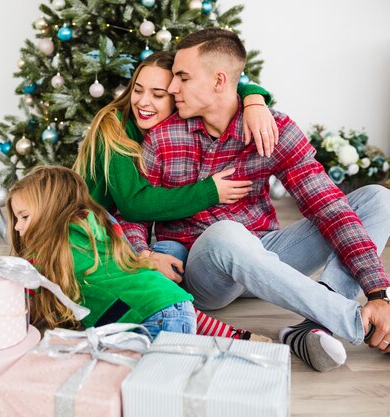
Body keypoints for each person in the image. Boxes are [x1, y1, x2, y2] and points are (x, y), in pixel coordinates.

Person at [117, 28, 390, 372]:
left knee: (379, 199)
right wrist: (143, 254)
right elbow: (135, 213)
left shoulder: (273, 129)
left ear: (219, 81)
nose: (173, 89)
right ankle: (353, 321)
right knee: (227, 233)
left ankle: (313, 327)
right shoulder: (163, 137)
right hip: (207, 270)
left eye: (182, 78)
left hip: (268, 253)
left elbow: (328, 206)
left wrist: (378, 293)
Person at [74, 51, 278, 282]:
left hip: (118, 235)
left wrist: (254, 99)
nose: (142, 102)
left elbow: (220, 91)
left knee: (170, 254)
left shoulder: (173, 128)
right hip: (86, 229)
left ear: (178, 94)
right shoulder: (113, 127)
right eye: (138, 90)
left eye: (158, 94)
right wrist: (209, 191)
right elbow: (132, 204)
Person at [7, 165, 271, 341]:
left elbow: (31, 285)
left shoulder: (68, 240)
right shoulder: (97, 225)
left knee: (147, 387)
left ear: (51, 209)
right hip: (169, 305)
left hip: (154, 318)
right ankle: (237, 339)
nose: (18, 228)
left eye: (24, 217)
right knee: (164, 305)